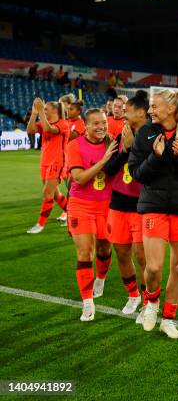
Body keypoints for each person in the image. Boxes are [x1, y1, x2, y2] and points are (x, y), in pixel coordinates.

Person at [128, 88, 178, 339]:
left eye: (154, 106)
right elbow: (137, 173)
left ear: (170, 108)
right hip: (154, 205)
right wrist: (156, 156)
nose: (150, 111)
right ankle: (151, 303)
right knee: (154, 266)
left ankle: (168, 319)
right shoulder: (145, 133)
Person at [65, 108, 118, 321]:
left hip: (107, 205)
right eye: (95, 123)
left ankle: (101, 279)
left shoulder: (113, 142)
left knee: (104, 248)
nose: (101, 127)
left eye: (103, 122)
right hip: (80, 205)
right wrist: (104, 160)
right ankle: (87, 303)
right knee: (85, 253)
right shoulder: (74, 145)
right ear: (85, 126)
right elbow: (79, 179)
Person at [104, 90, 149, 320]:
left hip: (142, 205)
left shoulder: (152, 136)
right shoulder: (121, 135)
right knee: (121, 253)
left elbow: (147, 172)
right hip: (118, 203)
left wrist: (132, 148)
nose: (123, 113)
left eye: (128, 110)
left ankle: (148, 303)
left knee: (143, 257)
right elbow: (109, 169)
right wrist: (126, 147)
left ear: (141, 113)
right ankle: (133, 296)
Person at [25, 98, 70, 233]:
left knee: (47, 192)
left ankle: (40, 224)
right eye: (43, 109)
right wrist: (34, 113)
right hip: (44, 162)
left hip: (57, 162)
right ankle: (72, 214)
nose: (43, 111)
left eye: (46, 109)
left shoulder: (63, 124)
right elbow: (30, 130)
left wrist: (40, 112)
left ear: (55, 111)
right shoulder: (44, 121)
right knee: (55, 195)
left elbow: (48, 129)